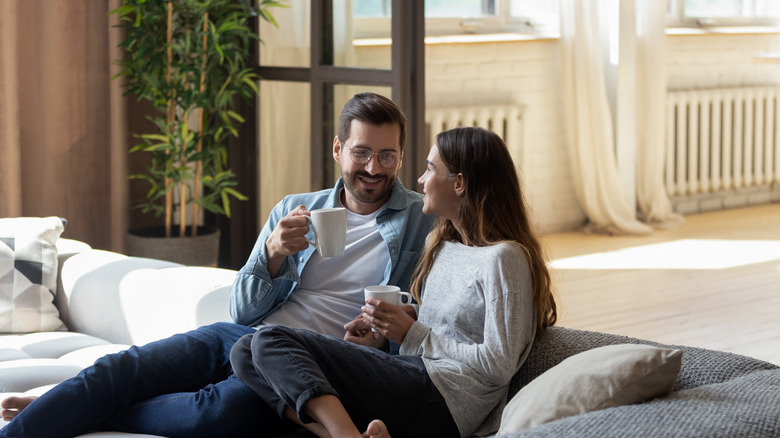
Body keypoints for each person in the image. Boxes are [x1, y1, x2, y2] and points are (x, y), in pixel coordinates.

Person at [0, 92, 435, 438]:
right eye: (362, 153)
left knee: (212, 415)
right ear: (338, 149)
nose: (373, 168)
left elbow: (424, 326)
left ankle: (74, 409)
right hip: (243, 337)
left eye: (388, 156)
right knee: (121, 368)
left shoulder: (423, 220)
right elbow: (241, 310)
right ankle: (65, 407)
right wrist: (273, 253)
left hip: (303, 367)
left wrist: (382, 341)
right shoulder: (296, 208)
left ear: (401, 155)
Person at [229, 126, 558, 438]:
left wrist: (411, 333)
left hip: (447, 400)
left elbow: (499, 364)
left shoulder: (504, 258)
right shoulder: (444, 245)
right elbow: (445, 325)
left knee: (270, 340)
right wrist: (390, 326)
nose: (420, 179)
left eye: (430, 170)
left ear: (459, 183)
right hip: (412, 378)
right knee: (244, 349)